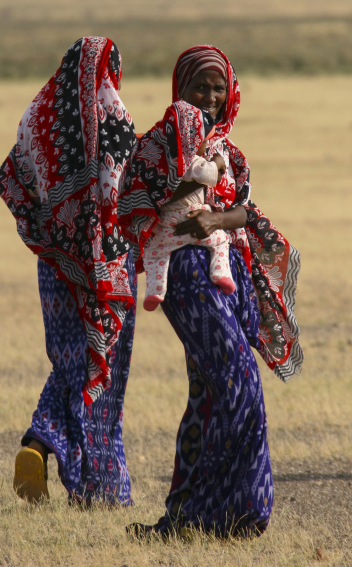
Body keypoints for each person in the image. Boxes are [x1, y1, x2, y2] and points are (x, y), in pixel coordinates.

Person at [119, 45, 303, 538]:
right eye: (201, 86)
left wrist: (214, 217)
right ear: (180, 88)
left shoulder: (230, 151)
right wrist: (189, 183)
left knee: (208, 394)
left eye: (219, 87)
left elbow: (248, 211)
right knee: (239, 383)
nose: (210, 97)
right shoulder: (158, 144)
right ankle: (236, 513)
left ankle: (185, 520)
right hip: (186, 276)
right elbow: (134, 207)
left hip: (230, 274)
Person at [0, 37, 137, 507]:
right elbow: (123, 197)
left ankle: (40, 443)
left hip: (54, 264)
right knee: (100, 370)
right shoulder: (114, 118)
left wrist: (56, 236)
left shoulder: (37, 116)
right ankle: (100, 487)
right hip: (104, 269)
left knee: (71, 361)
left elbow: (19, 182)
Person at [140, 101, 235, 312]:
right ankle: (220, 272)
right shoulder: (191, 161)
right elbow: (209, 176)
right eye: (204, 141)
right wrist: (218, 162)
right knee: (221, 241)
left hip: (165, 227)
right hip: (194, 219)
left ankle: (155, 290)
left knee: (154, 253)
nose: (206, 147)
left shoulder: (162, 158)